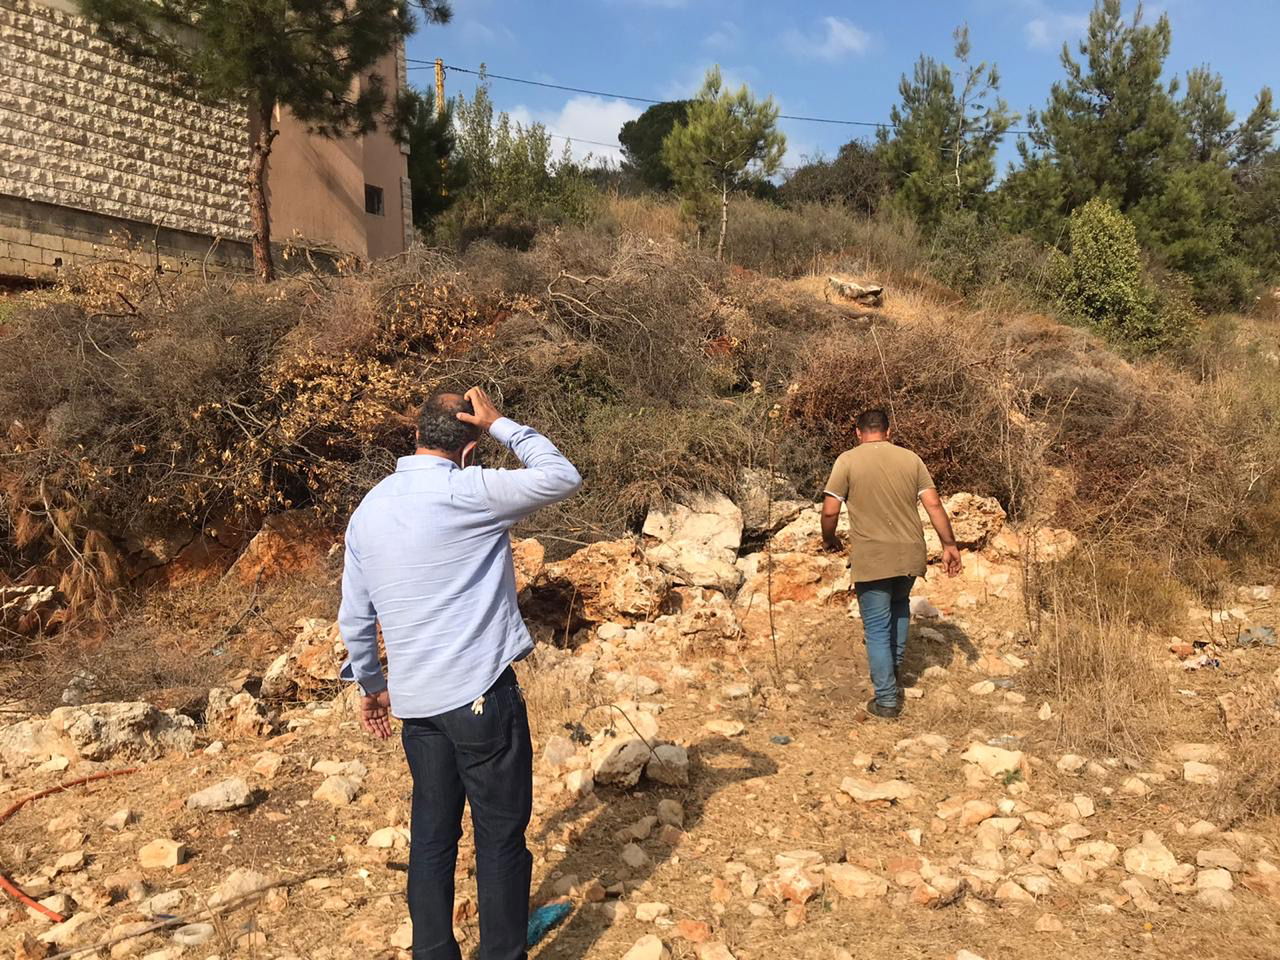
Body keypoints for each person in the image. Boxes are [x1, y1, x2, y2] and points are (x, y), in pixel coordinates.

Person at [338, 387, 582, 960]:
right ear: (469, 447)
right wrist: (503, 425)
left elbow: (355, 616)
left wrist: (372, 686)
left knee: (431, 839)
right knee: (499, 838)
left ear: (416, 435)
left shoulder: (369, 509)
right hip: (480, 696)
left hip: (418, 706)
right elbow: (561, 474)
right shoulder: (471, 490)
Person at [820, 409, 961, 720]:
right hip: (910, 552)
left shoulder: (847, 461)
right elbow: (934, 504)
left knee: (876, 626)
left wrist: (828, 538)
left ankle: (886, 700)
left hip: (873, 556)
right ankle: (894, 675)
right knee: (899, 608)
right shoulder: (911, 459)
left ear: (857, 432)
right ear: (888, 430)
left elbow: (830, 511)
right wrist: (949, 545)